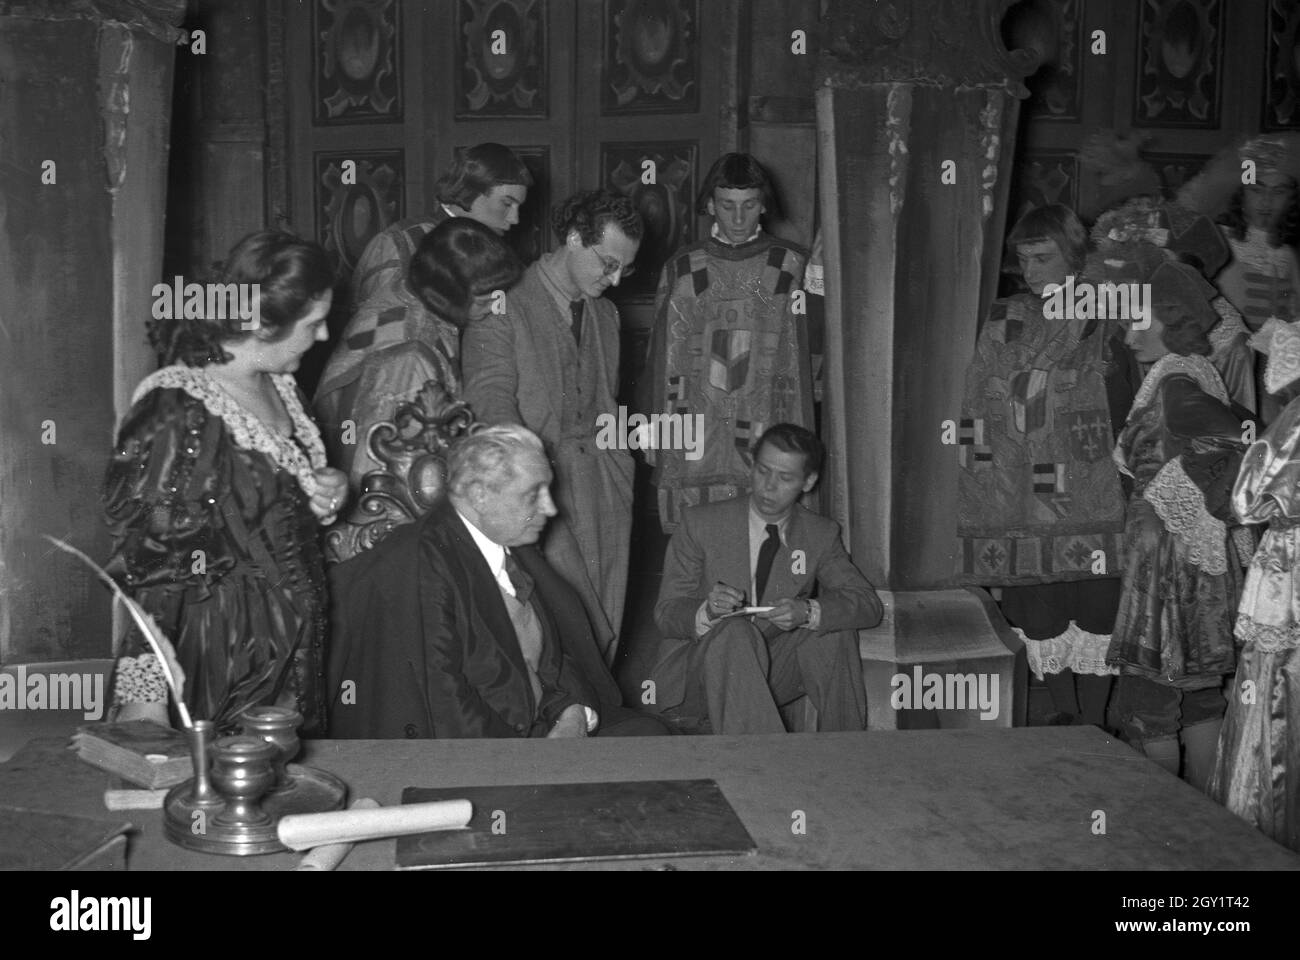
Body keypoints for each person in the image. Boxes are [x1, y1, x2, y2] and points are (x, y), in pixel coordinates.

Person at [104, 230, 349, 735]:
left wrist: (324, 491)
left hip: (294, 653)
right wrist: (143, 701)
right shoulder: (177, 409)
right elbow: (150, 569)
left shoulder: (280, 385)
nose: (324, 337)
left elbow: (267, 502)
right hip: (218, 659)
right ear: (261, 322)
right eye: (315, 324)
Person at [327, 425, 665, 738]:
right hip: (480, 748)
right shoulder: (418, 565)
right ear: (479, 496)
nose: (550, 508)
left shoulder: (509, 542)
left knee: (651, 736)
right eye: (534, 494)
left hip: (540, 725)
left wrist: (572, 713)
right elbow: (446, 709)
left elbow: (554, 657)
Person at [956, 205, 1131, 728]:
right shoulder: (1005, 316)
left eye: (1042, 257)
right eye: (1023, 258)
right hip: (1024, 495)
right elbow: (979, 400)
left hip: (1097, 491)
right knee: (1041, 610)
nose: (1029, 271)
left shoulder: (1110, 312)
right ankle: (1063, 713)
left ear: (1074, 254)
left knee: (1100, 609)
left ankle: (1095, 723)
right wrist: (983, 474)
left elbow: (1131, 395)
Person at [461, 189, 643, 661]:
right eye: (607, 263)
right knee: (560, 626)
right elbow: (490, 395)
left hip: (603, 487)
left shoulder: (606, 314)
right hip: (538, 487)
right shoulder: (504, 301)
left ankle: (595, 719)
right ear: (575, 238)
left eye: (626, 268)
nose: (616, 278)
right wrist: (527, 475)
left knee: (606, 625)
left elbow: (607, 402)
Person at [1108, 260, 1251, 788]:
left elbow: (1243, 441)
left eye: (1139, 322)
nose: (1129, 334)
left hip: (1166, 574)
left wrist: (1178, 493)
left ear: (1168, 323)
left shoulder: (1175, 385)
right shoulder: (1188, 376)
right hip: (1192, 566)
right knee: (1198, 699)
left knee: (1151, 701)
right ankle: (1205, 819)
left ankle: (1161, 819)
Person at [645, 423, 883, 734]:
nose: (769, 487)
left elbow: (867, 604)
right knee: (735, 631)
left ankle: (844, 757)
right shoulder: (700, 523)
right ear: (752, 466)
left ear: (808, 481)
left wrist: (808, 612)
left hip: (767, 675)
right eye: (762, 471)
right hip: (697, 679)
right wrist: (707, 611)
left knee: (831, 627)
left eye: (785, 478)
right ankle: (767, 766)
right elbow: (666, 614)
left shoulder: (820, 535)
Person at [643, 153, 813, 532]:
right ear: (709, 204)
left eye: (749, 205)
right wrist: (652, 425)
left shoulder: (791, 265)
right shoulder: (684, 267)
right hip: (695, 429)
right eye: (727, 205)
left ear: (764, 204)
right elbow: (659, 355)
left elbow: (814, 353)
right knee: (698, 549)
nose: (737, 219)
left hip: (769, 416)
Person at [314, 218, 524, 490]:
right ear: (448, 292)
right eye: (484, 301)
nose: (494, 309)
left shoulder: (405, 295)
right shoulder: (411, 357)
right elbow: (395, 472)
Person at [1209, 322, 1300, 852]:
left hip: (1289, 570)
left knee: (1276, 694)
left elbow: (1244, 503)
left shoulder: (1291, 424)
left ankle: (1266, 833)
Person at [1180, 135, 1300, 424]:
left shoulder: (1288, 254)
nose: (1267, 202)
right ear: (1240, 193)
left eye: (1279, 191)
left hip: (1277, 379)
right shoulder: (1216, 239)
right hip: (1226, 372)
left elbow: (1293, 315)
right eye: (1257, 190)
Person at [351, 142, 532, 308]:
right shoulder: (399, 243)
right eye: (507, 204)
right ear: (471, 191)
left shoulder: (499, 252)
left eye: (519, 208)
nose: (514, 219)